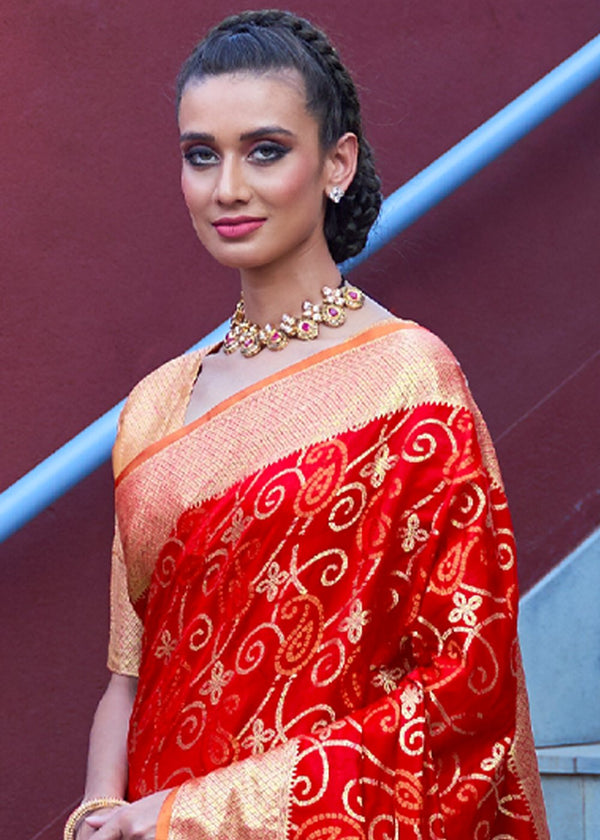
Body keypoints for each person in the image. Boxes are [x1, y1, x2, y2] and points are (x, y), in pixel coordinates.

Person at [65, 10, 549, 840]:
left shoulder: (409, 382)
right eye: (199, 156)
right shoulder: (154, 406)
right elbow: (128, 676)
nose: (227, 188)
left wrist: (195, 817)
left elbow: (468, 679)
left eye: (265, 150)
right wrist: (101, 813)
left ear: (337, 162)